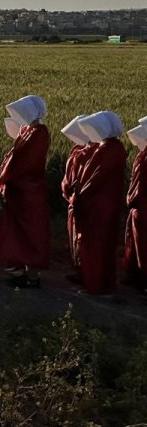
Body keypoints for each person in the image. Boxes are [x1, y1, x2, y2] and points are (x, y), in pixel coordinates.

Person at [0, 95, 51, 288]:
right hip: (20, 190)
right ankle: (23, 271)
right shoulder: (29, 130)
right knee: (20, 232)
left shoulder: (39, 133)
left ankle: (32, 276)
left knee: (30, 232)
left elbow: (26, 163)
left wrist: (8, 177)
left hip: (28, 191)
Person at [72, 111, 127, 297]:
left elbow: (93, 179)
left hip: (98, 207)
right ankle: (103, 284)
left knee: (95, 247)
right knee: (104, 246)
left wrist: (79, 196)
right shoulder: (114, 148)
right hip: (105, 205)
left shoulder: (107, 150)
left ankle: (95, 286)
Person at [59, 114, 96, 276]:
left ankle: (85, 271)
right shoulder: (78, 150)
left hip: (82, 201)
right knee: (75, 236)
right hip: (74, 199)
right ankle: (79, 267)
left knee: (84, 239)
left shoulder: (92, 152)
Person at [124, 121, 147, 295]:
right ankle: (136, 275)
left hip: (142, 205)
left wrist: (133, 197)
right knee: (137, 243)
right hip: (139, 204)